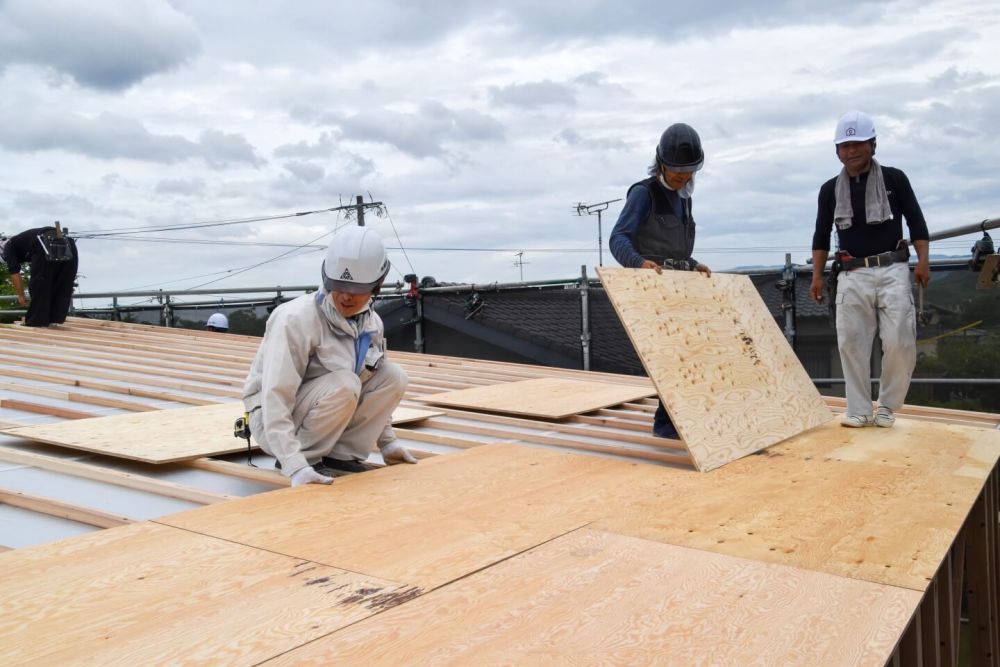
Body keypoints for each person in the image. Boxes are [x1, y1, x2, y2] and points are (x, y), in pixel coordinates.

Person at [242, 226, 416, 487]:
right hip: (274, 422)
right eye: (339, 285)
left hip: (328, 406)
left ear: (376, 287)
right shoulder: (296, 319)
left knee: (393, 376)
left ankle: (339, 456)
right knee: (345, 383)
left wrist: (388, 443)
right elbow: (275, 396)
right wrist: (293, 464)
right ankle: (308, 459)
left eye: (357, 289)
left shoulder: (371, 324)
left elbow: (372, 380)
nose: (346, 296)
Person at [810, 110, 930, 428]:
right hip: (852, 272)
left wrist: (924, 262)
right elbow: (821, 235)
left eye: (858, 144)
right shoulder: (829, 190)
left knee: (901, 338)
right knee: (851, 341)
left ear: (872, 144)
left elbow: (917, 222)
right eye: (844, 146)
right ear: (837, 151)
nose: (851, 151)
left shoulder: (894, 179)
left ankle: (888, 405)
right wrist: (817, 276)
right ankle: (859, 409)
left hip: (893, 268)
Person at [609, 122, 712, 440]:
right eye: (678, 171)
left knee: (691, 357)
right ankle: (666, 427)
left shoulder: (684, 198)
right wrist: (638, 264)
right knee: (673, 360)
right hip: (653, 288)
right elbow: (618, 238)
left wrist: (692, 265)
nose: (684, 178)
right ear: (662, 163)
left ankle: (676, 422)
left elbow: (675, 250)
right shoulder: (644, 194)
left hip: (681, 286)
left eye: (690, 172)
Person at [0, 223, 78, 327]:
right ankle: (54, 318)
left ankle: (36, 321)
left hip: (44, 241)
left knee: (40, 283)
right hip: (66, 241)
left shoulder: (7, 247)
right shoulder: (21, 243)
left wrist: (21, 296)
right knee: (61, 282)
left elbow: (15, 273)